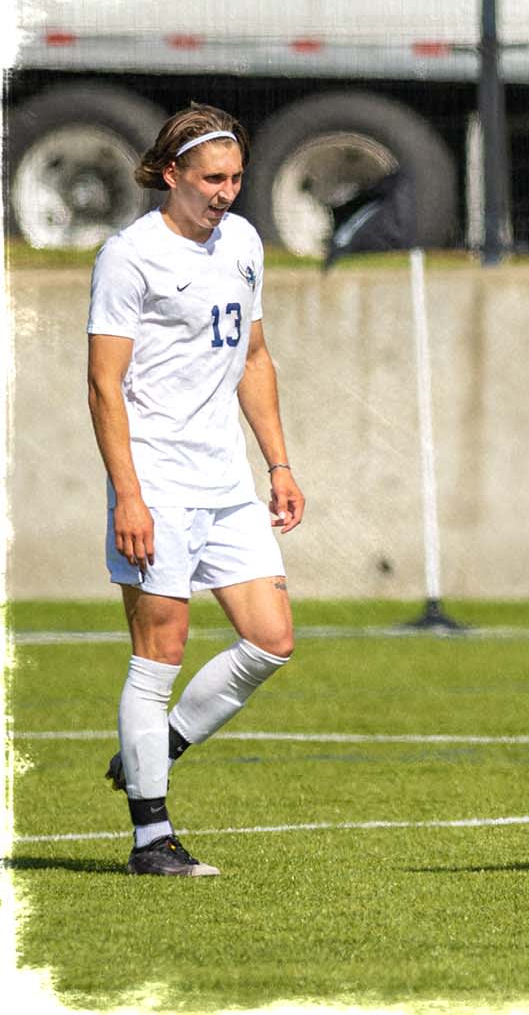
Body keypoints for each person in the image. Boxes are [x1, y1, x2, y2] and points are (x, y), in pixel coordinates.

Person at [86, 103, 306, 877]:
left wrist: (278, 464)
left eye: (237, 178)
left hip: (225, 483)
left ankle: (159, 747)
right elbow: (104, 386)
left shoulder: (243, 242)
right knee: (162, 653)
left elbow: (254, 356)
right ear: (171, 174)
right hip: (157, 484)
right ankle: (152, 838)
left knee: (272, 639)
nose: (226, 193)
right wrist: (130, 497)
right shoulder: (129, 257)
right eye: (212, 179)